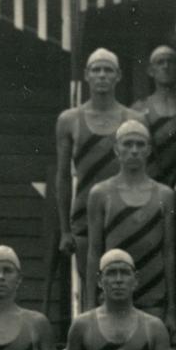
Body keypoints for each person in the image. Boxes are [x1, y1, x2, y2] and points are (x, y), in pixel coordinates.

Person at [86, 120, 176, 343]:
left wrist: (172, 309)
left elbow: (168, 252)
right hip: (111, 294)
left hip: (152, 295)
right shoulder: (101, 194)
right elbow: (94, 251)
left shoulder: (164, 195)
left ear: (148, 150)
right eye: (128, 144)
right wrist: (89, 307)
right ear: (117, 149)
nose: (134, 150)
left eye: (140, 144)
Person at [55, 48, 141, 282]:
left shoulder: (134, 119)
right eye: (96, 70)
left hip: (125, 213)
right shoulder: (69, 120)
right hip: (84, 219)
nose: (102, 75)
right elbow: (63, 176)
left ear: (118, 75)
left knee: (123, 283)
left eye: (108, 70)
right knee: (92, 287)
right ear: (86, 74)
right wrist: (64, 230)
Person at [132, 45, 176, 188]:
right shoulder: (139, 109)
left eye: (170, 61)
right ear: (151, 70)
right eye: (160, 62)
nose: (166, 66)